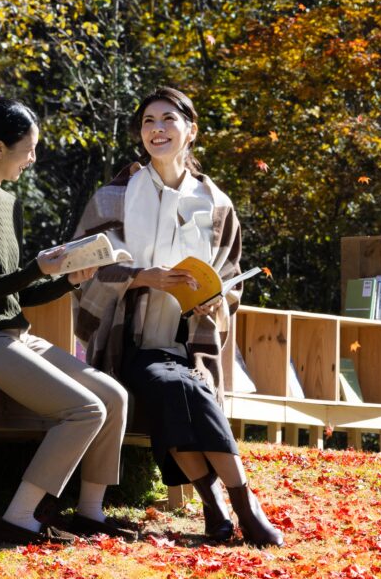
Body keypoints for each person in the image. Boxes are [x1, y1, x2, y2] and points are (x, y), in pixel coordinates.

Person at [71, 86, 284, 547]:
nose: (157, 129)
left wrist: (216, 299)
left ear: (191, 130)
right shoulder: (115, 196)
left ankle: (216, 509)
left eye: (168, 119)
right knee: (176, 386)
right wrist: (140, 276)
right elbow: (83, 264)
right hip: (128, 343)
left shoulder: (216, 204)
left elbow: (230, 277)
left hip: (190, 343)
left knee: (184, 386)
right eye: (149, 121)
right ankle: (244, 505)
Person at [0, 98, 132, 543]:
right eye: (29, 148)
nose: (34, 158)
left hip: (11, 336)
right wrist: (37, 269)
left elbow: (15, 291)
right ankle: (19, 516)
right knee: (84, 409)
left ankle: (91, 512)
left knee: (113, 396)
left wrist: (69, 281)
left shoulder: (8, 203)